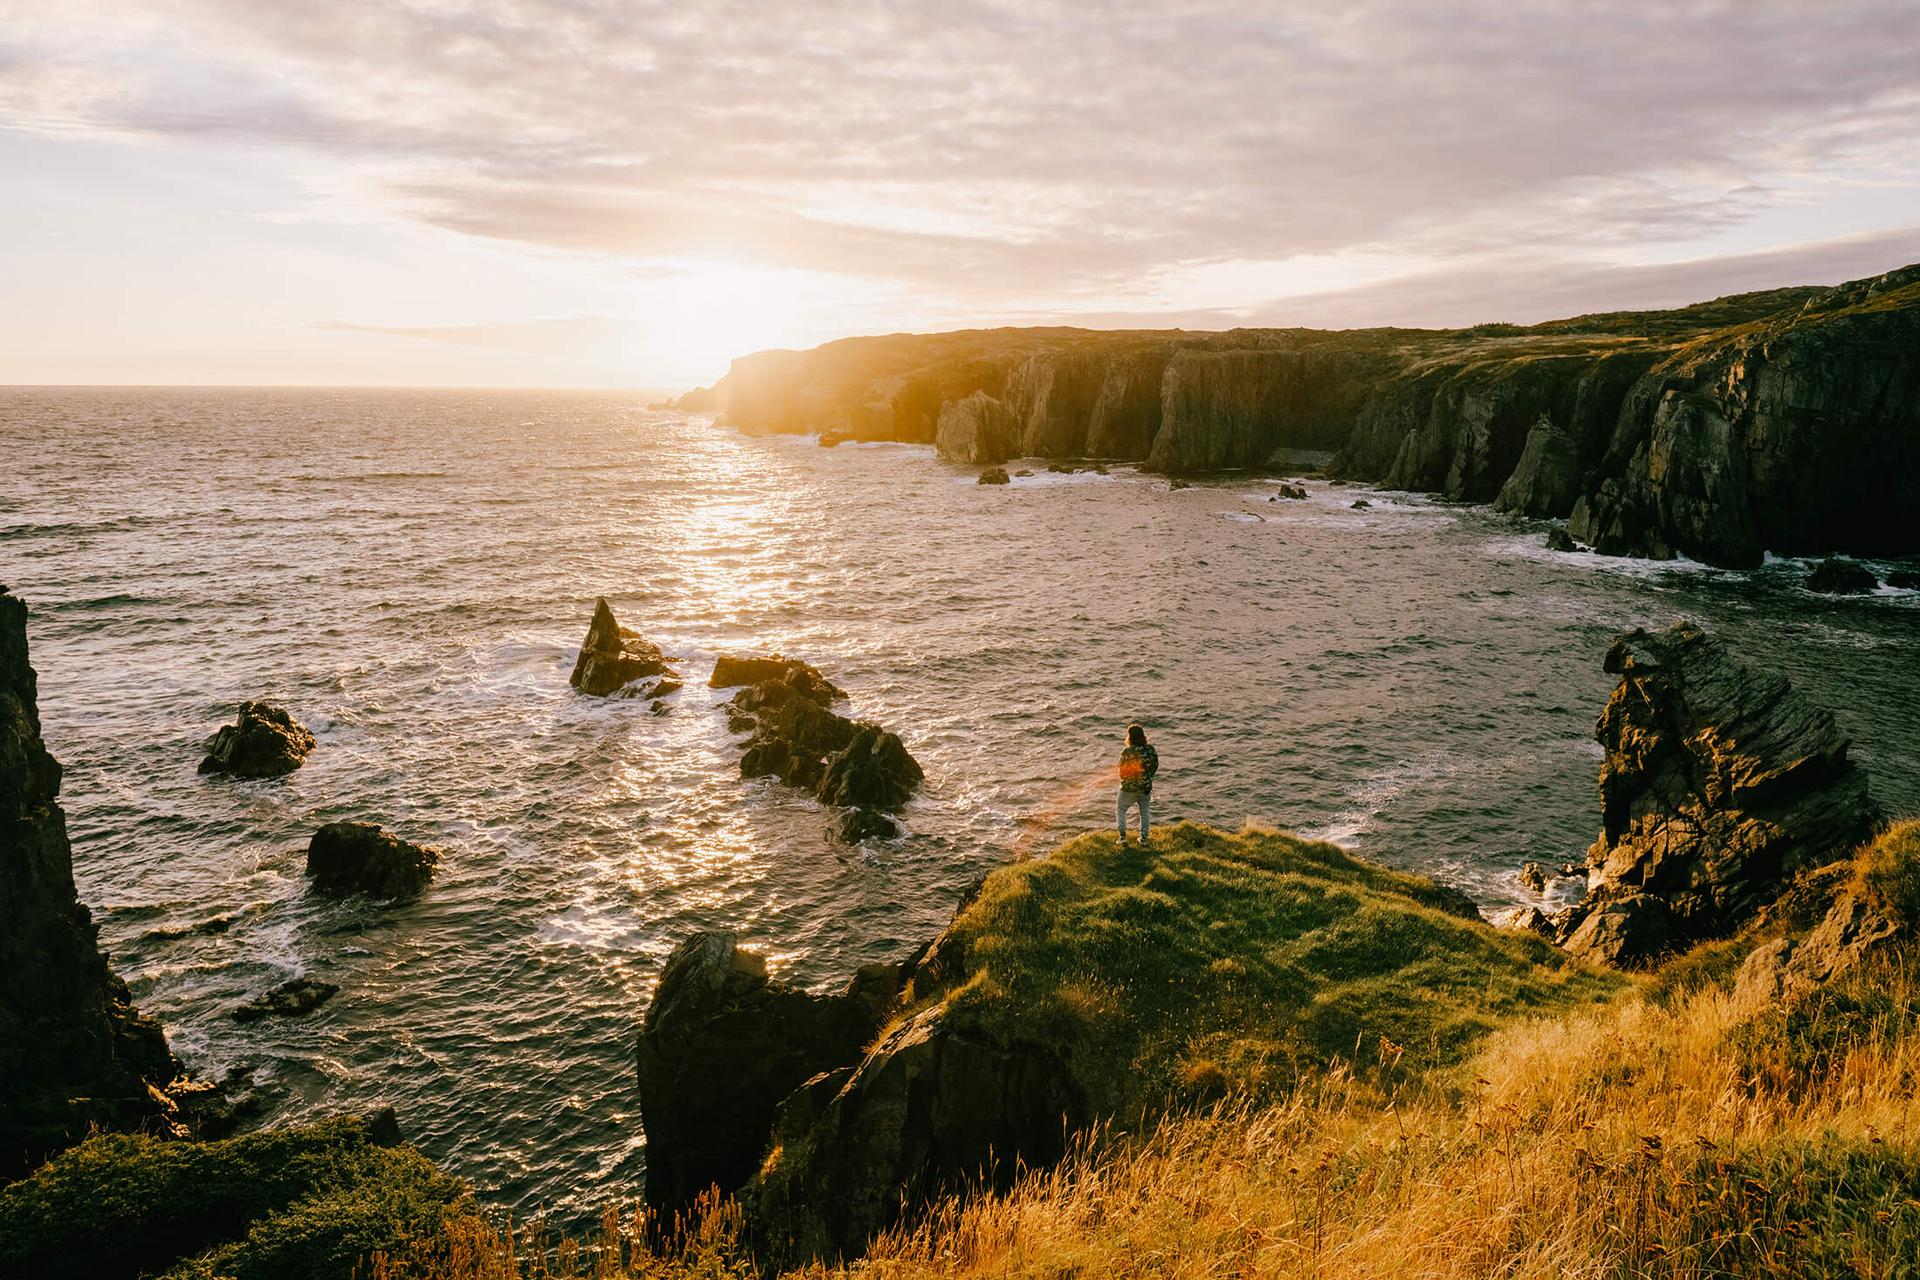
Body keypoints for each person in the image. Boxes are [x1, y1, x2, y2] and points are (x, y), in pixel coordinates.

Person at [1116, 723, 1158, 843]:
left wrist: (1125, 780)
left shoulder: (1127, 752)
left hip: (1129, 787)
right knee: (1144, 812)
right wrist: (1148, 778)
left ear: (1129, 737)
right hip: (1145, 787)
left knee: (1121, 809)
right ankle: (1144, 838)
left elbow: (1121, 771)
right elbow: (1155, 766)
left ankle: (1123, 837)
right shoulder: (1150, 750)